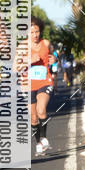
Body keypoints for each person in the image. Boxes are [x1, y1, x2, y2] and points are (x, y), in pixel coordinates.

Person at [29, 17, 54, 156]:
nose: (35, 35)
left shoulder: (46, 43)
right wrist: (28, 60)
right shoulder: (22, 46)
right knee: (33, 118)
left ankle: (44, 139)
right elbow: (15, 67)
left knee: (41, 110)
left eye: (37, 31)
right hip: (28, 85)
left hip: (45, 81)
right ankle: (39, 143)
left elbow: (53, 56)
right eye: (32, 32)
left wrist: (55, 59)